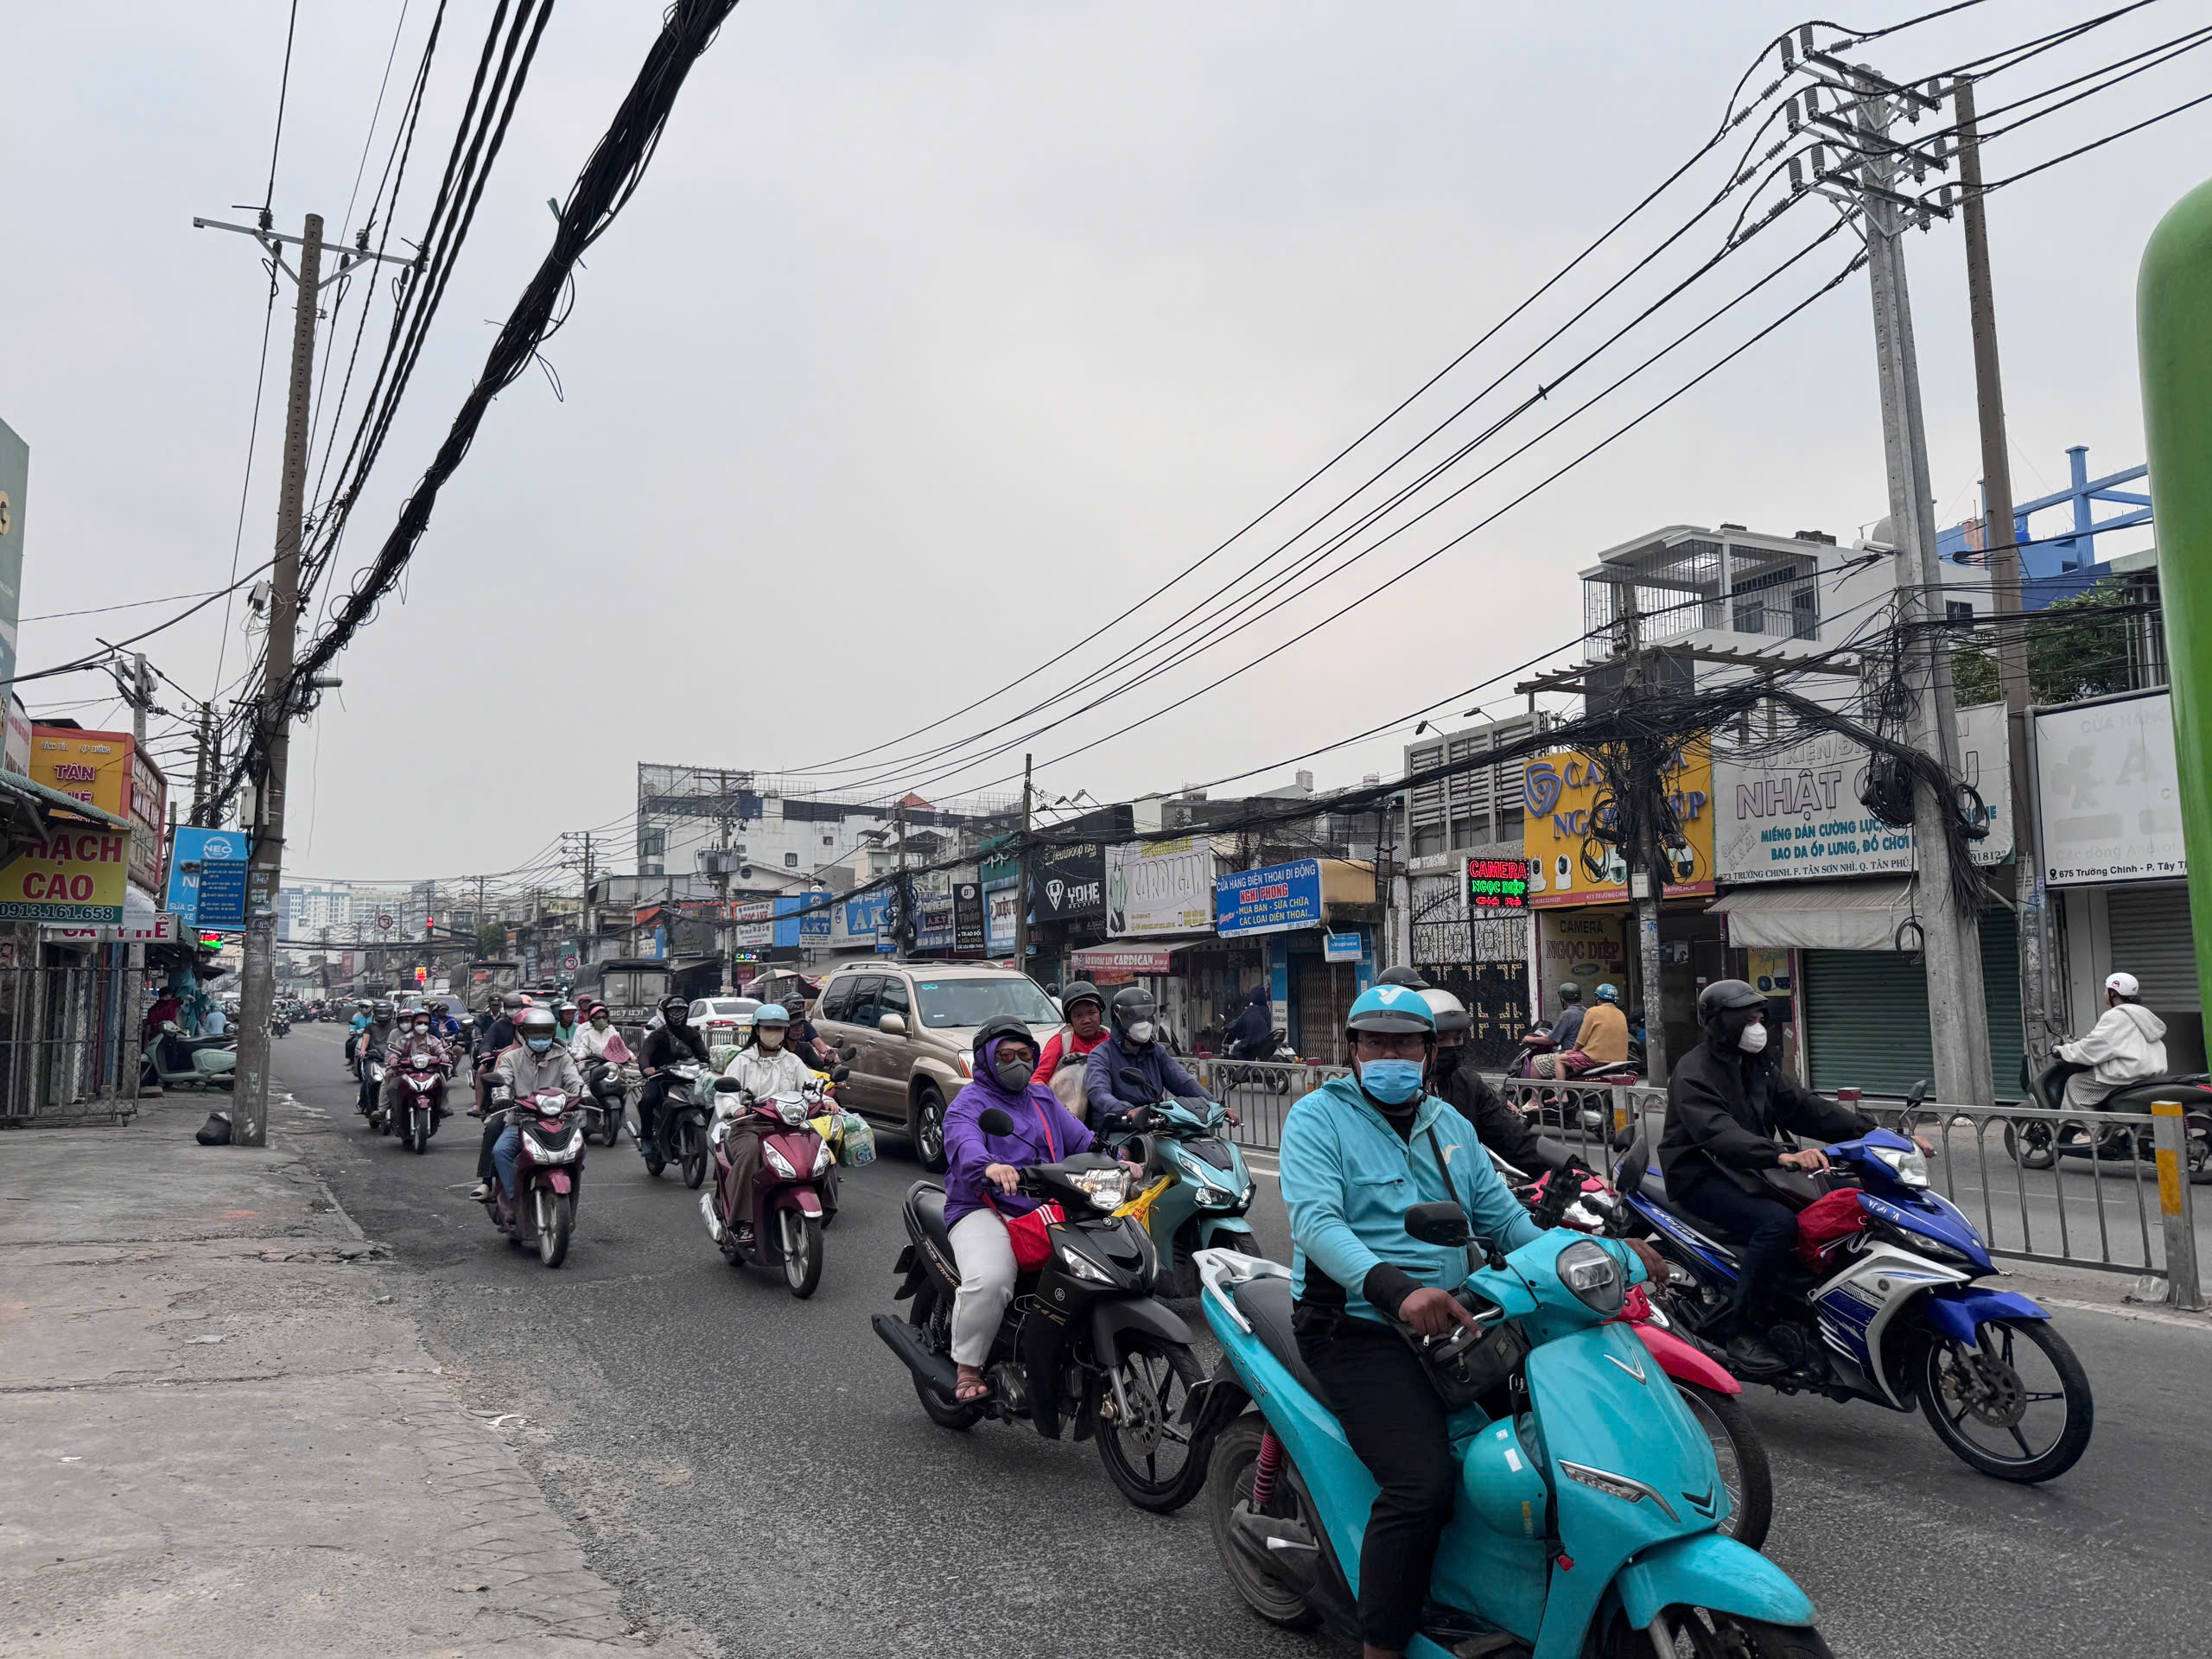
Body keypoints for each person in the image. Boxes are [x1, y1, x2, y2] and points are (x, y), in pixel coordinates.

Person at [1280, 984, 1663, 1659]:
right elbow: (1316, 1222)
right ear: (1354, 1050)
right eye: (1376, 1042)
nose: (1390, 1055)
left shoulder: (1449, 1126)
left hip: (1460, 1318)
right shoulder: (1318, 1118)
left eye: (1405, 1043)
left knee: (1556, 1447)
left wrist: (1605, 1253)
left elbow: (1507, 1225)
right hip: (1358, 1325)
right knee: (1421, 1485)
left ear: (1431, 1053)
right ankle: (1383, 1645)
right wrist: (1396, 1291)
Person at [1657, 978, 1908, 1375]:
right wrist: (1783, 1154)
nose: (1758, 1026)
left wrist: (1874, 1133)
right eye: (1749, 1019)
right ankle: (1744, 1332)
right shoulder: (1693, 1071)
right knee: (1777, 1226)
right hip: (1701, 1172)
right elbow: (1719, 1133)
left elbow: (1805, 1107)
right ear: (1723, 1022)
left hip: (1751, 1169)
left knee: (1843, 1206)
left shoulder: (1758, 1064)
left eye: (1761, 1017)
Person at [942, 1017, 1098, 1403]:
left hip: (1045, 1205)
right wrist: (989, 1167)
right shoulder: (969, 1103)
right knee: (991, 1279)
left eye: (1024, 1055)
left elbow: (1081, 1139)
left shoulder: (1042, 1097)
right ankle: (968, 1366)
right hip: (983, 1204)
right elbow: (964, 1143)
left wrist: (1121, 1156)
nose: (1017, 1063)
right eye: (1006, 1056)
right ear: (988, 1061)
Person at [715, 1005, 819, 1244]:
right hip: (749, 1125)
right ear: (757, 1030)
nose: (773, 1033)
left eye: (779, 1029)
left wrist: (824, 1101)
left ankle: (822, 1208)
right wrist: (735, 1108)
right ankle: (743, 1221)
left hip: (786, 1127)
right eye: (768, 1028)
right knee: (751, 1154)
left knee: (817, 1147)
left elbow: (811, 1088)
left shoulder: (792, 1061)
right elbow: (726, 1093)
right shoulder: (743, 1061)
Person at [1419, 986, 1545, 1169]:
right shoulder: (1400, 1093)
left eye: (1458, 1038)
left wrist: (1569, 1164)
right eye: (1440, 1040)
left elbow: (1514, 1139)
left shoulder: (1469, 1085)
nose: (1451, 1047)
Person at [487, 1008, 585, 1232]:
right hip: (521, 1121)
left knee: (582, 1151)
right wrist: (502, 1096)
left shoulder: (563, 1056)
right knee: (500, 1151)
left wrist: (584, 1093)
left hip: (558, 1121)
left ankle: (568, 1195)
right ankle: (512, 1199)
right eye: (535, 1033)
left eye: (546, 1032)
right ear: (523, 1032)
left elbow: (574, 1080)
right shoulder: (512, 1058)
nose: (541, 1038)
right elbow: (503, 1080)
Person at [1083, 985, 1210, 1136]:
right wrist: (1127, 1111)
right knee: (1124, 1156)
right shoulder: (1101, 1055)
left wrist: (1215, 1105)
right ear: (1119, 1018)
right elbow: (1099, 1093)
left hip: (1155, 1125)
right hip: (1119, 1129)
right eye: (1136, 1017)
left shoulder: (1156, 1051)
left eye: (1148, 1016)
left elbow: (1183, 1081)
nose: (1144, 1023)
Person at [2054, 970, 2167, 1108]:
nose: (2104, 994)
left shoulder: (2116, 1015)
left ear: (2113, 993)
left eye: (2106, 990)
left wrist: (2064, 1050)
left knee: (2075, 1083)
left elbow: (2095, 1046)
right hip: (2147, 1072)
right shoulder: (2142, 1014)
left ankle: (2086, 1128)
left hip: (2125, 1074)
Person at [637, 994, 709, 1160]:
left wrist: (713, 1064)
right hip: (661, 1077)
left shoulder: (692, 1033)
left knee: (708, 1098)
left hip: (688, 1077)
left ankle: (697, 1131)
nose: (677, 1014)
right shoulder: (658, 1035)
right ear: (666, 1012)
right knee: (648, 1099)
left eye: (681, 1010)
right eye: (673, 1010)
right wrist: (647, 1068)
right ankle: (646, 1137)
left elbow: (703, 1055)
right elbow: (644, 1054)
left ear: (687, 1012)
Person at [1034, 980, 1109, 1116]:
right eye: (1078, 1015)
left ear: (1100, 1013)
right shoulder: (1061, 1043)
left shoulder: (1112, 1041)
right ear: (1070, 1021)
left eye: (1091, 1012)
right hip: (1071, 1116)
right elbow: (1038, 1079)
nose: (1086, 1020)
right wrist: (1056, 1105)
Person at [381, 1009, 452, 1121]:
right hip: (405, 1071)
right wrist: (393, 1058)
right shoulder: (403, 1039)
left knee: (444, 1085)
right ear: (414, 1024)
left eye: (426, 1023)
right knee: (389, 1083)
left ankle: (442, 1107)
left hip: (430, 1071)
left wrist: (444, 1057)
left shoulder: (434, 1040)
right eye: (419, 1023)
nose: (422, 1026)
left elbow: (441, 1052)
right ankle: (383, 1109)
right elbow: (395, 1052)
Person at [1562, 982, 1630, 1074]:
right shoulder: (1621, 1014)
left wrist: (1573, 1051)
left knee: (1559, 1059)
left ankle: (1562, 1088)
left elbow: (1581, 1039)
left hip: (1596, 1059)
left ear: (1598, 998)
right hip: (1620, 1060)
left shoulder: (1593, 1011)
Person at [1222, 983, 1274, 1060]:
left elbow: (1239, 1023)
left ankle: (1244, 1070)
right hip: (1265, 1040)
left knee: (1237, 1049)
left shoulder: (1251, 1009)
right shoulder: (1266, 1009)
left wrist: (1228, 1026)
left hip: (1253, 1040)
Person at [1546, 981, 1586, 1054]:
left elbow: (1551, 1040)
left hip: (1570, 1053)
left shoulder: (1567, 1014)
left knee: (1535, 1061)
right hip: (1583, 1052)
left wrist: (1529, 1039)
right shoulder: (1586, 1011)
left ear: (1564, 1000)